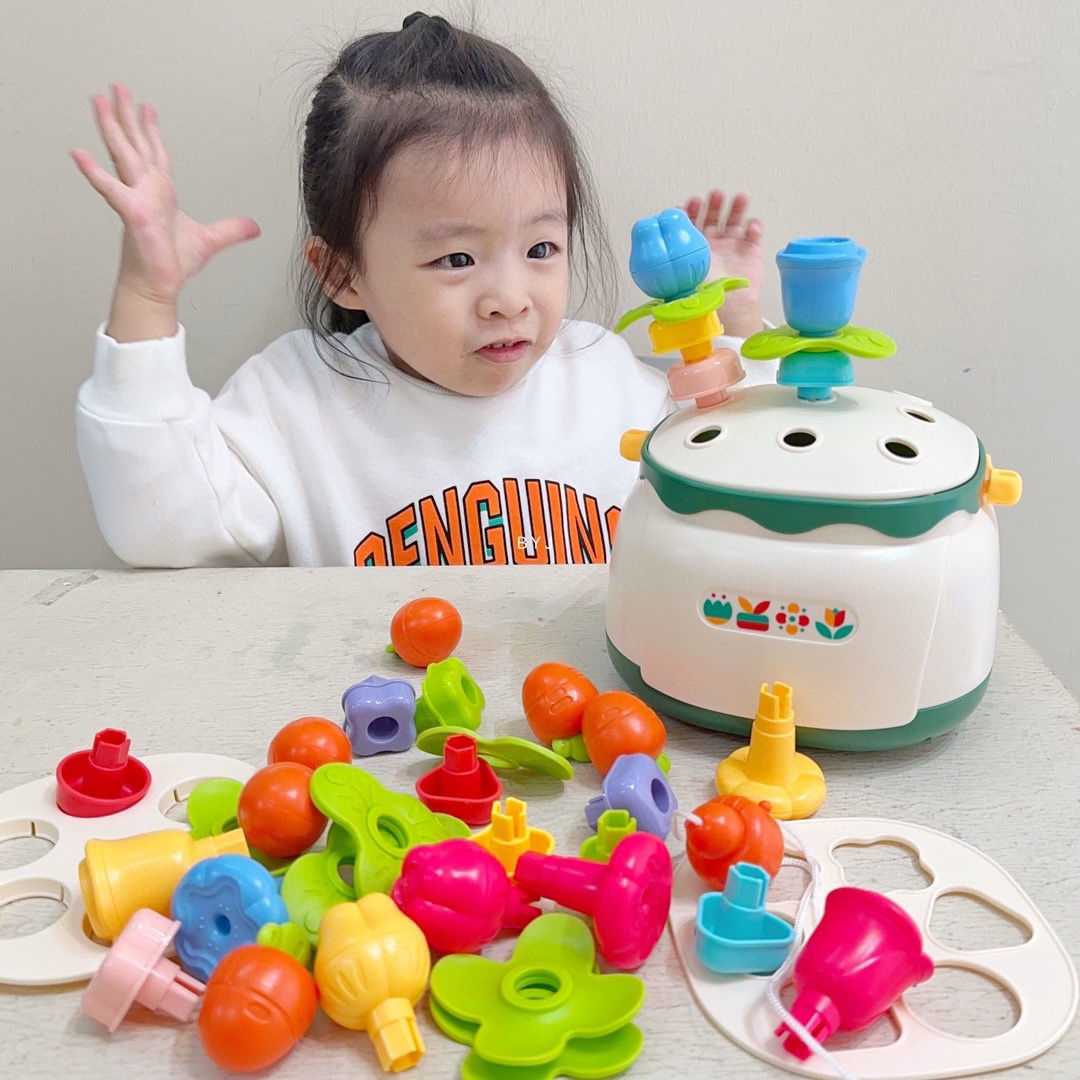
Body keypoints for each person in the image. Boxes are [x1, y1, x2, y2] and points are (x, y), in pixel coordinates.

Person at [72, 12, 769, 568]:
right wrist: (146, 297)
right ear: (342, 273)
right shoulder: (297, 400)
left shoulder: (601, 374)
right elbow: (163, 528)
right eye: (457, 258)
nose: (510, 298)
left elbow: (746, 464)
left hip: (582, 699)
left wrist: (733, 324)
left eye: (540, 249)